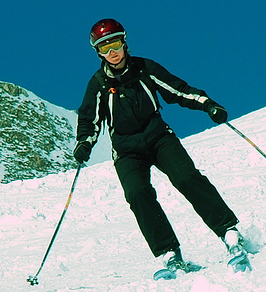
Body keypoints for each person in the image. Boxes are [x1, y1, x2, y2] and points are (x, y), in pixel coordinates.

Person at [74, 18, 245, 272]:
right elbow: (90, 120)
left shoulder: (144, 68)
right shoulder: (98, 84)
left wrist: (207, 104)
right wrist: (84, 143)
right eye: (104, 48)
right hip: (127, 151)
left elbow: (178, 90)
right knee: (137, 194)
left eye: (115, 44)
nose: (112, 53)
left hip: (158, 138)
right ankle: (169, 253)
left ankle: (229, 232)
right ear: (98, 52)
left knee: (186, 177)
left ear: (124, 42)